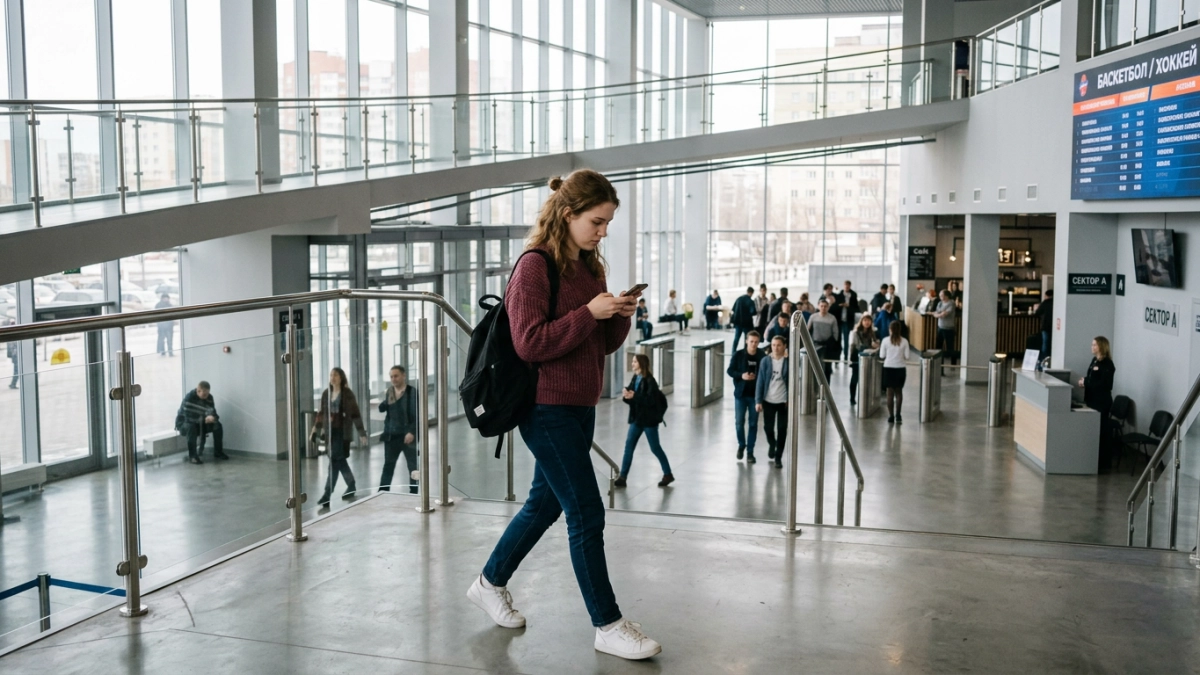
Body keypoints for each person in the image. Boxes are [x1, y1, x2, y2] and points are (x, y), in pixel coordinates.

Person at [467, 170, 660, 661]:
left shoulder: (590, 266)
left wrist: (618, 316)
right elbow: (528, 342)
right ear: (568, 213)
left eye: (608, 223)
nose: (602, 231)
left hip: (580, 403)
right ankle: (607, 623)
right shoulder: (534, 267)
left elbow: (601, 344)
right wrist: (587, 314)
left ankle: (489, 582)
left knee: (546, 503)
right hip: (544, 405)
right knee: (585, 510)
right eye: (596, 221)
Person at [311, 367, 368, 506]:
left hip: (342, 433)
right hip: (330, 433)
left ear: (341, 377)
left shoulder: (347, 394)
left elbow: (355, 414)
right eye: (331, 375)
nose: (333, 378)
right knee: (339, 461)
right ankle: (351, 483)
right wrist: (315, 429)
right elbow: (321, 413)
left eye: (335, 375)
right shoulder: (326, 393)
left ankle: (327, 494)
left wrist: (362, 433)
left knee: (334, 462)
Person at [616, 354, 673, 488]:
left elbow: (650, 401)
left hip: (648, 421)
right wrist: (627, 395)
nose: (632, 364)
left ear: (641, 364)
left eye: (635, 362)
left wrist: (634, 396)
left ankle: (668, 474)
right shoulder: (636, 377)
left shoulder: (650, 381)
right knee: (628, 447)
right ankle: (623, 477)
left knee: (655, 448)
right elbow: (633, 398)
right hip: (636, 419)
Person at [378, 365, 418, 494]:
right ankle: (382, 492)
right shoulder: (390, 392)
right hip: (392, 436)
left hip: (407, 436)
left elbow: (416, 414)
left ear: (403, 376)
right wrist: (385, 401)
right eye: (391, 377)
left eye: (396, 376)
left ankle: (414, 492)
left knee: (412, 466)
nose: (393, 379)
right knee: (388, 465)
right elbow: (382, 408)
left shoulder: (412, 392)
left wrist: (412, 432)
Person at [1078, 336, 1116, 470]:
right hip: (1092, 400)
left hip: (1101, 402)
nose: (1092, 347)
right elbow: (1092, 378)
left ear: (1102, 346)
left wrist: (1087, 382)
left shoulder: (1107, 364)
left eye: (1095, 345)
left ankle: (1103, 464)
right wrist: (1085, 380)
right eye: (1092, 344)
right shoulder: (1094, 360)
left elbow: (1104, 384)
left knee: (1102, 433)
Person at [726, 331, 763, 463]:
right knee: (739, 423)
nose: (753, 344)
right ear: (747, 341)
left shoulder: (761, 356)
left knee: (753, 424)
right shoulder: (738, 355)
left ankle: (750, 452)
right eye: (751, 341)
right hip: (741, 394)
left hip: (755, 395)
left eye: (756, 342)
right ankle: (742, 444)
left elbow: (765, 374)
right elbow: (730, 370)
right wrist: (742, 375)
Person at [755, 335, 790, 469]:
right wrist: (758, 401)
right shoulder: (765, 361)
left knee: (782, 429)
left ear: (784, 346)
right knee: (768, 428)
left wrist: (790, 399)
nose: (775, 348)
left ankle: (778, 457)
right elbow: (760, 381)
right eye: (773, 345)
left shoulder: (788, 362)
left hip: (783, 402)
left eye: (779, 345)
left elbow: (793, 382)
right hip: (768, 400)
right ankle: (772, 443)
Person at [175, 381, 227, 464]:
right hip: (184, 424)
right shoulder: (189, 398)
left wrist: (212, 418)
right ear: (198, 391)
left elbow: (213, 413)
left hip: (201, 423)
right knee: (191, 427)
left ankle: (218, 452)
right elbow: (188, 417)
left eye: (207, 394)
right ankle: (193, 456)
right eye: (204, 395)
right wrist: (204, 419)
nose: (206, 397)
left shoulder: (209, 398)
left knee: (218, 425)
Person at [879, 321, 911, 424]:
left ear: (890, 329)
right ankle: (898, 415)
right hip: (900, 368)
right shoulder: (904, 341)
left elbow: (881, 356)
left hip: (888, 368)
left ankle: (891, 416)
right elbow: (907, 356)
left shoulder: (885, 341)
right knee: (899, 392)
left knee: (889, 394)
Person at [849, 314, 879, 407]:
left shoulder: (872, 333)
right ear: (861, 322)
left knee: (867, 378)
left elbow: (875, 344)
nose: (867, 322)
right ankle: (852, 397)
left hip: (868, 357)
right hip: (857, 356)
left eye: (869, 321)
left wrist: (876, 345)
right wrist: (850, 359)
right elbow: (852, 345)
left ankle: (865, 397)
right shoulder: (856, 332)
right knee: (855, 377)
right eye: (865, 320)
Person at [807, 298, 839, 382]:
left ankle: (826, 386)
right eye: (822, 306)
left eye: (825, 306)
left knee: (827, 367)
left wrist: (832, 344)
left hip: (827, 346)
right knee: (815, 365)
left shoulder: (832, 318)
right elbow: (808, 330)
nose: (823, 308)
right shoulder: (813, 317)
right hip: (815, 344)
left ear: (828, 307)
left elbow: (835, 333)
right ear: (818, 306)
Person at [835, 280, 859, 359]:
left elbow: (856, 308)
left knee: (846, 339)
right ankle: (838, 357)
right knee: (838, 339)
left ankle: (845, 356)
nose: (847, 287)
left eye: (848, 286)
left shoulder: (853, 295)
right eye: (845, 285)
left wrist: (849, 306)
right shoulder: (839, 295)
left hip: (848, 320)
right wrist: (841, 305)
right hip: (839, 320)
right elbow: (836, 306)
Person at [933, 290, 958, 365]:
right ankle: (939, 363)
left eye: (942, 295)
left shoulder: (951, 303)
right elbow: (936, 313)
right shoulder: (940, 303)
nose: (940, 297)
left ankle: (953, 364)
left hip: (949, 328)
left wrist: (939, 314)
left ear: (946, 296)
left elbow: (944, 314)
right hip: (940, 327)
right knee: (938, 346)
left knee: (950, 347)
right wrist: (939, 314)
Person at [731, 287, 757, 351]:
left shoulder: (739, 299)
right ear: (752, 293)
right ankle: (746, 352)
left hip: (738, 323)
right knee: (747, 339)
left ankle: (733, 352)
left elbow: (733, 309)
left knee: (736, 338)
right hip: (747, 324)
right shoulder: (750, 301)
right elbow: (753, 312)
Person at [1035, 289, 1054, 361]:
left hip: (1045, 326)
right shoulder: (1056, 302)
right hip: (1054, 328)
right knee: (1052, 344)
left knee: (1045, 345)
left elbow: (1037, 313)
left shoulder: (1044, 303)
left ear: (1046, 295)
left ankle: (1044, 360)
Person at [5, 318, 17, 389]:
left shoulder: (10, 332)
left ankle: (13, 384)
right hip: (15, 356)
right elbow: (13, 347)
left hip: (14, 356)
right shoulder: (12, 333)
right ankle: (13, 384)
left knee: (16, 370)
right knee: (17, 371)